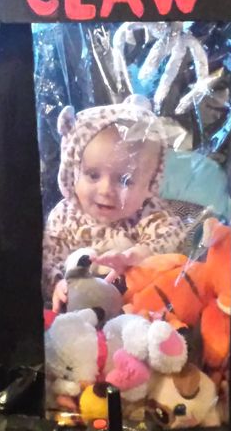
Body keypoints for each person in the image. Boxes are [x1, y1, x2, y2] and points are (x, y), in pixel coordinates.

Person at [43, 96, 187, 310]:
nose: (106, 190)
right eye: (93, 175)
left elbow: (174, 236)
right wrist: (56, 283)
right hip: (77, 307)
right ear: (72, 173)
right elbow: (48, 257)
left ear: (150, 184)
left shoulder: (147, 212)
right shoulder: (65, 215)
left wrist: (138, 255)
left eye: (125, 180)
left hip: (134, 307)